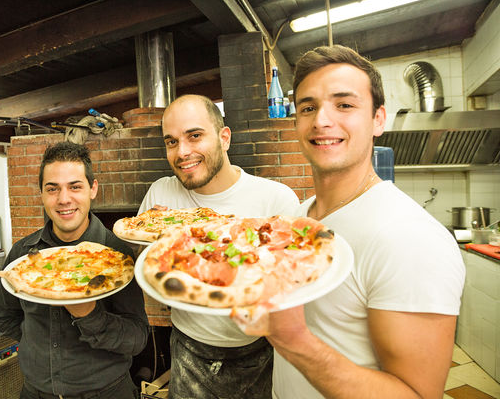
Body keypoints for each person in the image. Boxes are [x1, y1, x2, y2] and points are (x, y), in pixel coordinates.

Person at [266, 45, 465, 398]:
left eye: (344, 104)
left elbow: (417, 395)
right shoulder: (298, 217)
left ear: (378, 120)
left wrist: (295, 343)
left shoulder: (410, 238)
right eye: (308, 107)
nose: (321, 120)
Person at [138, 94, 300, 398]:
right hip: (187, 346)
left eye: (195, 136)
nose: (182, 152)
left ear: (224, 138)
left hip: (260, 349)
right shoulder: (160, 197)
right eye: (171, 142)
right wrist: (162, 250)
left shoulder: (276, 200)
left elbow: (294, 284)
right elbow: (144, 271)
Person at [0, 141, 149, 399]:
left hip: (107, 393)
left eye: (75, 187)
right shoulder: (23, 254)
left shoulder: (116, 255)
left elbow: (136, 339)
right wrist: (35, 345)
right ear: (41, 194)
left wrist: (89, 316)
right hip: (35, 393)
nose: (64, 199)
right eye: (52, 189)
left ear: (93, 189)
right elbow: (3, 317)